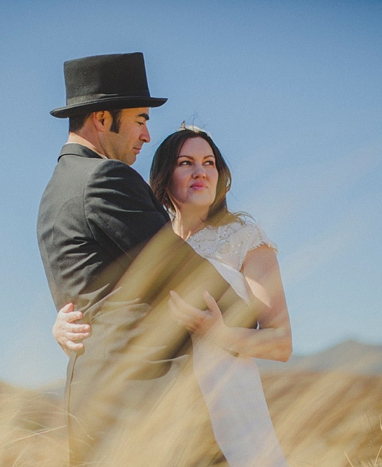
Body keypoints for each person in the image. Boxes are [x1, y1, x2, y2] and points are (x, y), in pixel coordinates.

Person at [38, 53, 250, 466]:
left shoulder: (53, 193)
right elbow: (178, 267)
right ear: (102, 118)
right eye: (139, 119)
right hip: (144, 400)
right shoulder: (104, 178)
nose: (147, 136)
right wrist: (243, 318)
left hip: (96, 403)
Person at [55, 125, 293, 466]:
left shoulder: (246, 238)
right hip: (166, 406)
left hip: (229, 398)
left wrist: (222, 334)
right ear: (165, 177)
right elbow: (113, 310)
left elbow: (281, 342)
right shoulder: (144, 242)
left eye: (209, 163)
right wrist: (63, 327)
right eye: (186, 163)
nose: (201, 171)